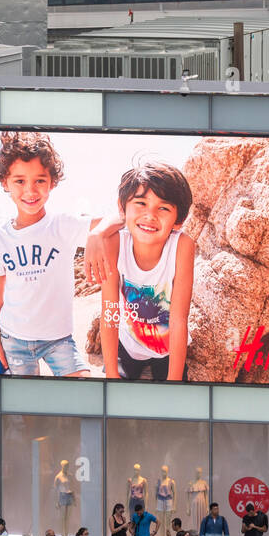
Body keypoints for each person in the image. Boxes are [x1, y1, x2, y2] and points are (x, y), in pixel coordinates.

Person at [0, 131, 119, 377]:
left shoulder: (63, 226)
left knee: (82, 394)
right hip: (13, 339)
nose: (30, 190)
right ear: (5, 182)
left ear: (52, 182)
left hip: (59, 340)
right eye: (19, 181)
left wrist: (96, 234)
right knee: (24, 412)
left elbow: (120, 217)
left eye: (40, 180)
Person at [98, 160, 197, 382]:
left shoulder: (182, 246)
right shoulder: (115, 244)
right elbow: (110, 313)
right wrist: (111, 371)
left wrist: (174, 380)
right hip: (128, 345)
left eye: (163, 208)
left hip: (168, 348)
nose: (150, 215)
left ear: (178, 220)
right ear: (123, 208)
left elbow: (179, 319)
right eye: (140, 203)